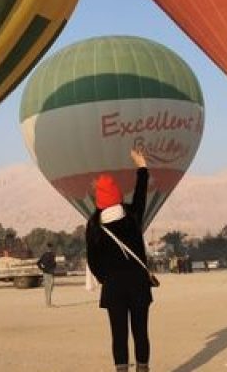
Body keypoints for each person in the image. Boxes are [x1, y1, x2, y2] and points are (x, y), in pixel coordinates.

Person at [86, 148, 152, 372]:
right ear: (118, 196)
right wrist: (142, 166)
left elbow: (93, 261)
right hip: (138, 284)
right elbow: (141, 193)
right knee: (141, 332)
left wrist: (107, 278)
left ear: (99, 200)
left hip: (113, 287)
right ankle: (143, 369)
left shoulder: (94, 225)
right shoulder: (132, 216)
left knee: (119, 335)